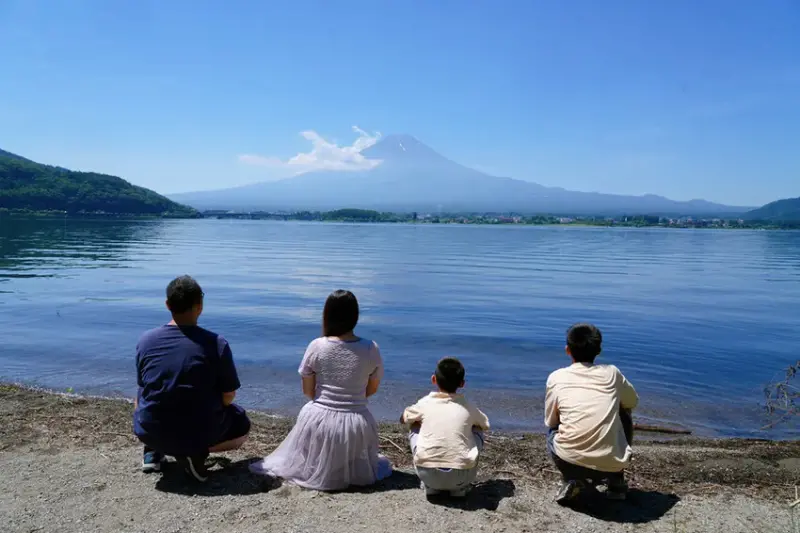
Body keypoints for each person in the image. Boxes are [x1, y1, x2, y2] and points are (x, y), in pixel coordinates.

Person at [250, 290, 391, 490]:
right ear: (355, 316)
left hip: (319, 423)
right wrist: (352, 398)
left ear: (327, 315)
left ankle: (323, 463)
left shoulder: (317, 346)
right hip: (356, 426)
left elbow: (309, 392)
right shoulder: (371, 348)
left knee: (309, 411)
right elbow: (371, 390)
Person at [133, 275, 251, 482]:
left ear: (167, 305)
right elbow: (228, 396)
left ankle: (153, 451)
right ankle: (193, 452)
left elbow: (144, 387)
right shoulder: (216, 344)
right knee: (241, 427)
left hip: (149, 429)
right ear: (200, 306)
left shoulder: (146, 341)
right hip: (196, 431)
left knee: (145, 391)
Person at [545, 323, 638, 504]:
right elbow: (633, 402)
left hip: (568, 460)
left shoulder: (556, 377)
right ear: (599, 350)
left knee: (553, 429)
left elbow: (551, 421)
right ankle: (616, 483)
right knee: (624, 410)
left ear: (567, 350)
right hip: (613, 462)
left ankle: (572, 479)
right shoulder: (613, 373)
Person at [401, 357, 490, 498]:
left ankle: (431, 487)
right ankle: (458, 490)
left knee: (414, 424)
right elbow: (485, 424)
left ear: (433, 379)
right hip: (462, 477)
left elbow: (403, 418)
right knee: (477, 428)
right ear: (462, 384)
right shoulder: (468, 406)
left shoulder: (425, 403)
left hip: (427, 474)